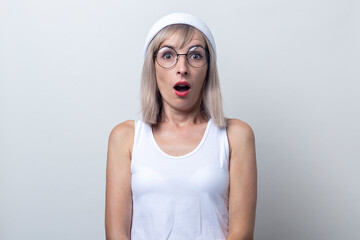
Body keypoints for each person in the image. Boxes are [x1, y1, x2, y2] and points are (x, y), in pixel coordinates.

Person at [105, 13, 257, 240]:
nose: (182, 68)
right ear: (153, 67)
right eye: (168, 55)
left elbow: (242, 234)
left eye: (195, 55)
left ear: (208, 70)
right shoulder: (125, 138)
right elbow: (116, 234)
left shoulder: (236, 136)